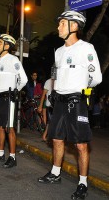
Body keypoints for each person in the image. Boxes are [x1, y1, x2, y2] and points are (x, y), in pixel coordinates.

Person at [37, 11, 102, 200]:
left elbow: (96, 77)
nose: (58, 27)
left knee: (80, 145)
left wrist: (80, 89)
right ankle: (55, 173)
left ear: (74, 26)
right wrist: (54, 94)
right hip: (59, 101)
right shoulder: (58, 51)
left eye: (62, 23)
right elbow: (55, 76)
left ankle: (83, 183)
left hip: (77, 101)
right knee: (56, 139)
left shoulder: (86, 48)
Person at [0, 34, 28, 168]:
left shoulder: (13, 60)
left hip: (9, 97)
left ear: (6, 46)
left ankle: (12, 157)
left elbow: (23, 79)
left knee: (9, 128)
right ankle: (0, 153)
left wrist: (15, 91)